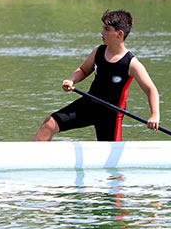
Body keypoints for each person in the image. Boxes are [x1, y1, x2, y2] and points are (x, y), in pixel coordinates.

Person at [33, 10, 160, 142]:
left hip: (111, 114)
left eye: (107, 29)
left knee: (108, 161)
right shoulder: (98, 52)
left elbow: (151, 90)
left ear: (119, 34)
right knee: (49, 124)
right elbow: (83, 70)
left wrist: (155, 114)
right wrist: (71, 80)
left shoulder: (132, 63)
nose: (102, 32)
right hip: (88, 104)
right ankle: (30, 160)